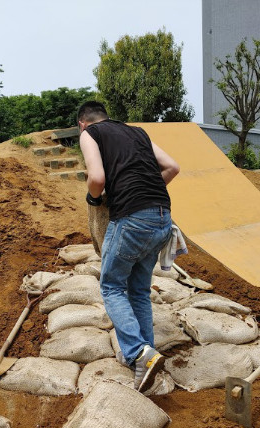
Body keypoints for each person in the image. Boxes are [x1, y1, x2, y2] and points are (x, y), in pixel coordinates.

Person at [77, 101, 180, 393]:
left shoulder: (90, 134)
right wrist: (145, 190)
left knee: (110, 286)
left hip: (132, 220)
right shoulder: (138, 133)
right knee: (137, 290)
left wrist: (95, 199)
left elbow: (96, 179)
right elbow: (173, 167)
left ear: (83, 122)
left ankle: (137, 352)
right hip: (162, 218)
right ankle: (147, 356)